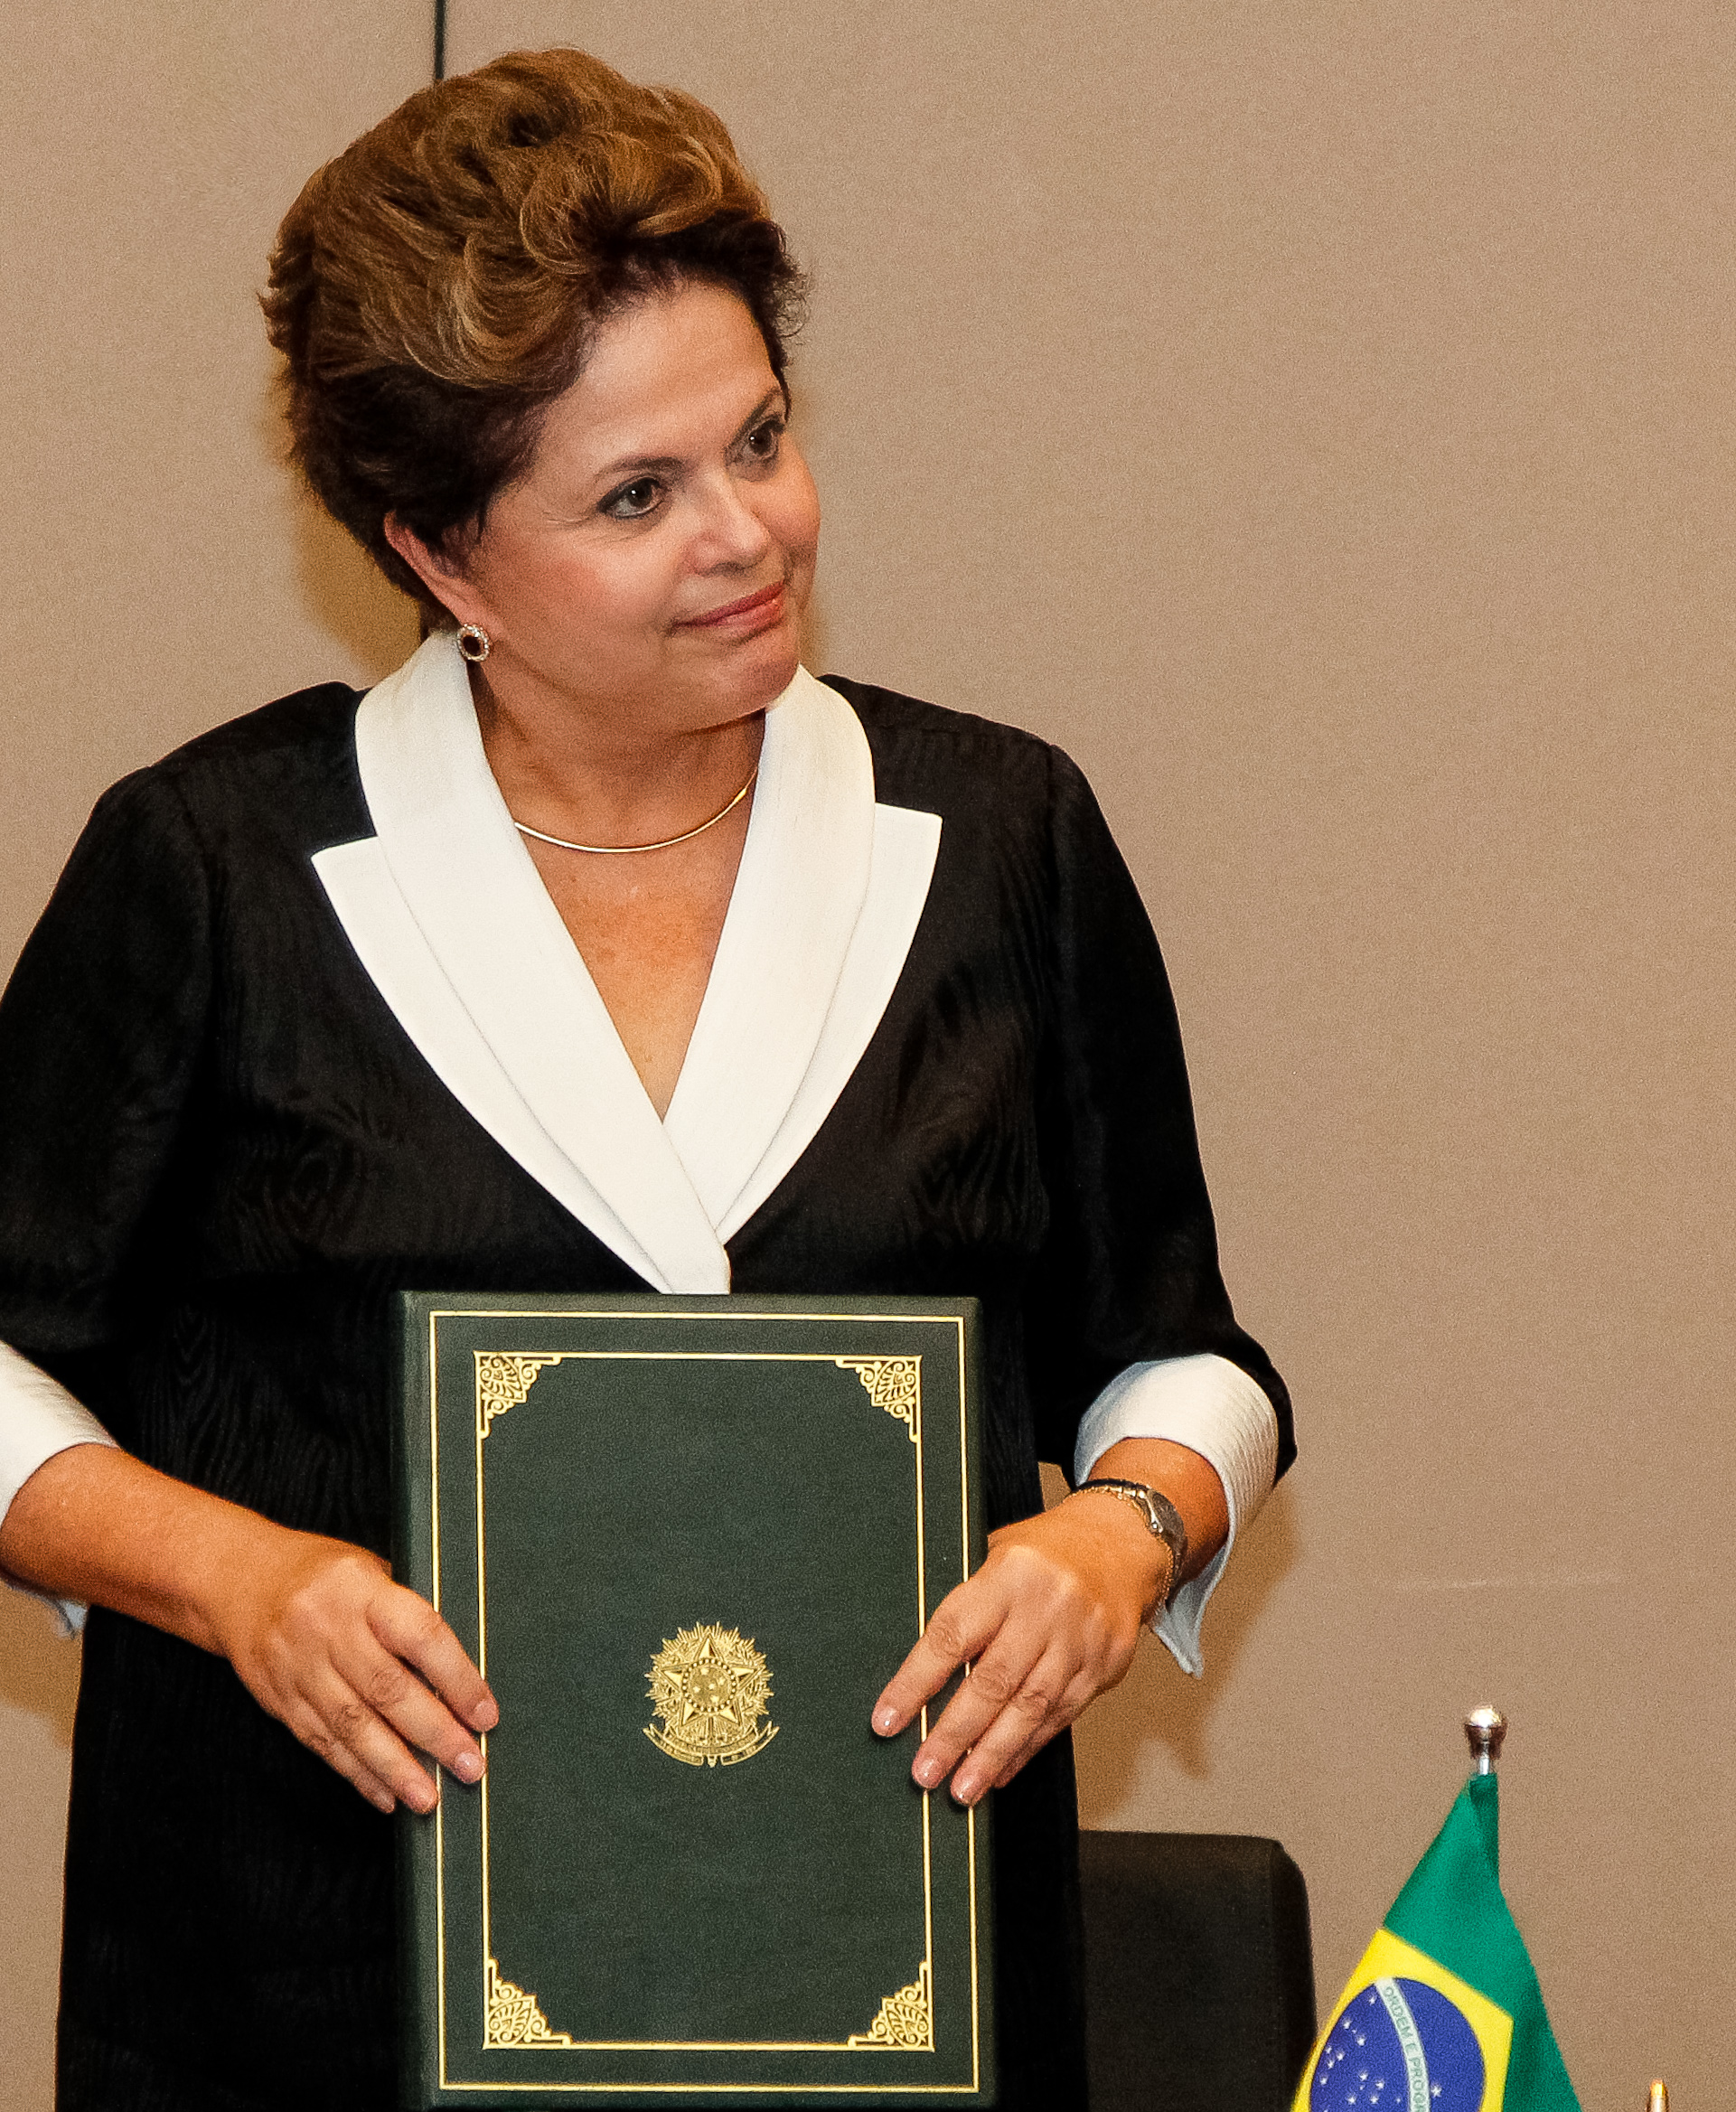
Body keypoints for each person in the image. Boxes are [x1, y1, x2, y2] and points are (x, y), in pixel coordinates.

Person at [0, 50, 1289, 2110]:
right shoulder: (219, 870)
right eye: (636, 496)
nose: (747, 533)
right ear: (442, 558)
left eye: (759, 438)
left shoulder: (997, 837)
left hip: (879, 1990)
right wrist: (234, 1576)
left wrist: (1124, 1534)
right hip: (315, 1986)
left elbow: (1182, 1351)